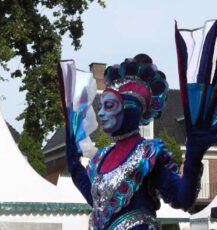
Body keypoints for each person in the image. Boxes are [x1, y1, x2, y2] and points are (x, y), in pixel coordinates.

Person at [61, 54, 208, 229]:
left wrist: (193, 156)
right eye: (101, 107)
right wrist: (74, 165)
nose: (100, 114)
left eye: (109, 106)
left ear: (130, 110)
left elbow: (182, 198)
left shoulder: (148, 153)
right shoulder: (101, 157)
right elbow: (98, 203)